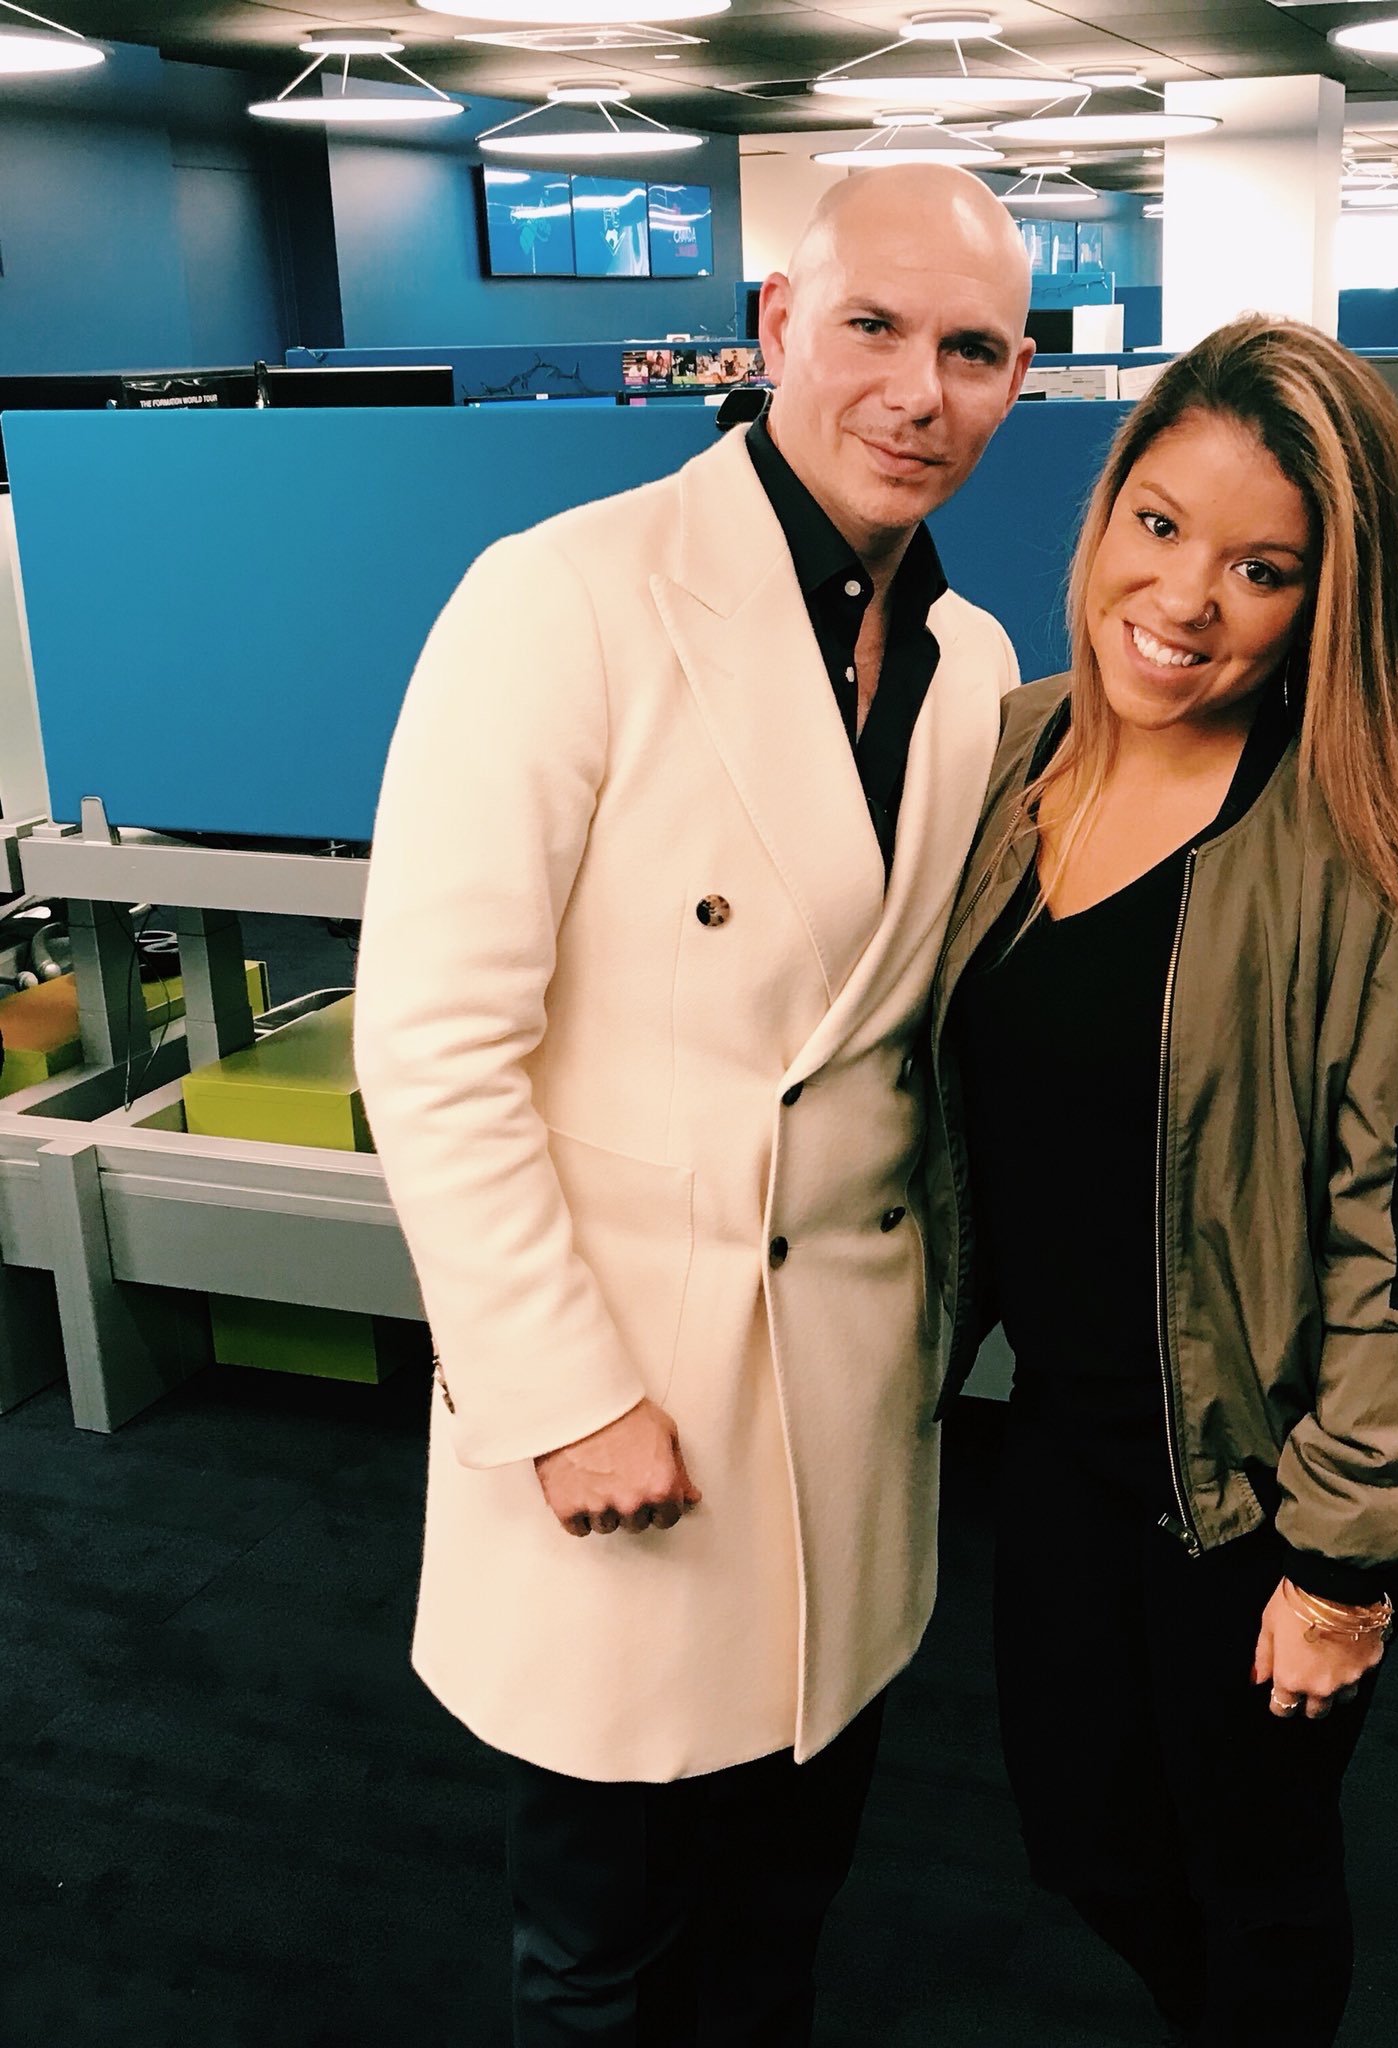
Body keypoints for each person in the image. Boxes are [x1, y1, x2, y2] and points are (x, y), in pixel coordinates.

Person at [351, 163, 1035, 2047]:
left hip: (850, 1402)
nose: (916, 390)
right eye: (873, 326)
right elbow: (432, 1040)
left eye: (973, 350)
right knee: (603, 1945)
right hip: (629, 1388)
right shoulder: (565, 598)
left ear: (1018, 377)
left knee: (779, 1918)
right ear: (776, 329)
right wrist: (560, 1394)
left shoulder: (974, 665)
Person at [926, 317, 1398, 2047]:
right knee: (1089, 1846)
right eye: (1159, 526)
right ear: (1106, 511)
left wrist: (1343, 1568)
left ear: (1328, 601)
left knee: (1252, 1893)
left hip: (1259, 1480)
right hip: (1063, 1434)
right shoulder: (1013, 754)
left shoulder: (1375, 855)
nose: (1184, 599)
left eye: (1262, 569)